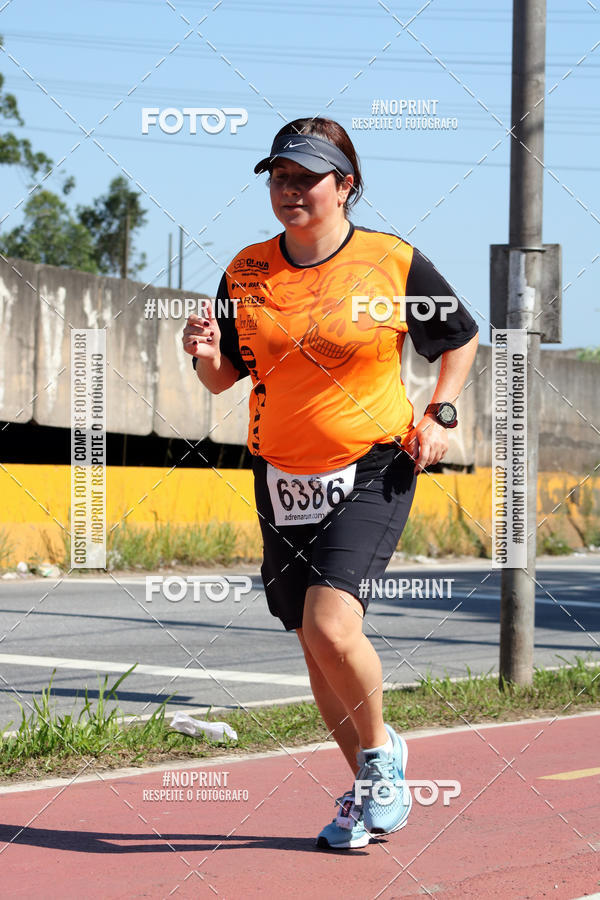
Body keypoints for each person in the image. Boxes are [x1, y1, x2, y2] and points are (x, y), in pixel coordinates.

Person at [182, 117, 479, 849]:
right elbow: (227, 378)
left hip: (375, 461)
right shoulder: (247, 270)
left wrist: (440, 411)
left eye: (306, 177)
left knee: (329, 623)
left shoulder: (391, 261)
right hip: (280, 471)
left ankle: (383, 760)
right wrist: (202, 352)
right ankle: (368, 784)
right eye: (279, 176)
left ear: (345, 185)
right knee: (312, 645)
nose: (290, 190)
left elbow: (462, 334)